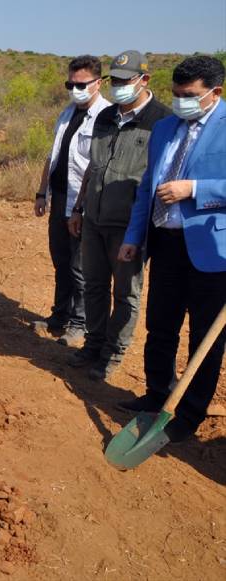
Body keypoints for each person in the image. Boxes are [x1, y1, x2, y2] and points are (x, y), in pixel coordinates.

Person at [117, 55, 226, 443]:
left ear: (215, 93)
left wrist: (194, 190)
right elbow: (147, 188)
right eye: (177, 94)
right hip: (165, 244)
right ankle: (156, 395)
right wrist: (134, 236)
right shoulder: (165, 128)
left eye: (190, 95)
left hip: (212, 251)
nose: (182, 101)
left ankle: (189, 414)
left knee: (204, 339)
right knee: (160, 326)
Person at [67, 51, 170, 380]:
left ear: (145, 80)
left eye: (126, 81)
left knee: (125, 293)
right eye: (116, 81)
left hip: (129, 226)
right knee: (93, 286)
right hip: (94, 220)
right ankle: (93, 345)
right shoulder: (105, 116)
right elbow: (92, 169)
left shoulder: (162, 121)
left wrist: (139, 233)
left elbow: (158, 179)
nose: (120, 87)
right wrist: (79, 208)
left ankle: (113, 353)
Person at [33, 56, 111, 345]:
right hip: (59, 199)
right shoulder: (66, 114)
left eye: (81, 84)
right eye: (71, 84)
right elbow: (51, 157)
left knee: (81, 267)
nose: (75, 89)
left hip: (84, 204)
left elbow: (96, 166)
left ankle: (80, 324)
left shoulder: (106, 117)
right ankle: (60, 316)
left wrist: (79, 206)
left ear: (97, 83)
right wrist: (42, 192)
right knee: (61, 261)